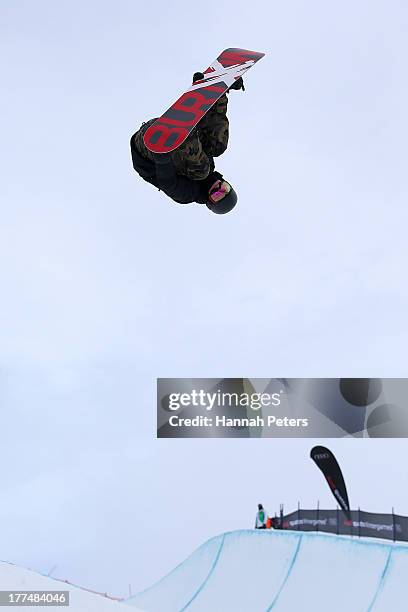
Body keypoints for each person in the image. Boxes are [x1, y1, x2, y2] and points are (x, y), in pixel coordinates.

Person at [130, 73, 244, 214]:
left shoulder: (189, 194)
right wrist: (211, 94)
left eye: (217, 195)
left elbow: (168, 182)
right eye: (225, 188)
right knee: (217, 147)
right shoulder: (208, 164)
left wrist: (161, 156)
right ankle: (214, 95)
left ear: (209, 201)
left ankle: (179, 131)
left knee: (201, 171)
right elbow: (203, 137)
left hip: (150, 146)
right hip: (166, 130)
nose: (218, 187)